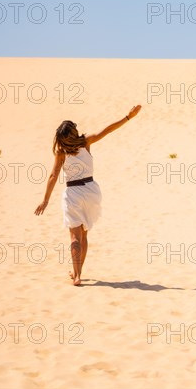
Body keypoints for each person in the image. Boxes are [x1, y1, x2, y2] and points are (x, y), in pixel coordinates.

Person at [34, 105, 142, 285]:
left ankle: (76, 275)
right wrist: (128, 117)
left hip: (73, 193)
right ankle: (77, 273)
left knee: (74, 237)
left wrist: (45, 200)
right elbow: (107, 130)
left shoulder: (61, 153)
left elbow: (53, 176)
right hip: (91, 191)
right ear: (73, 132)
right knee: (84, 236)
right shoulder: (86, 142)